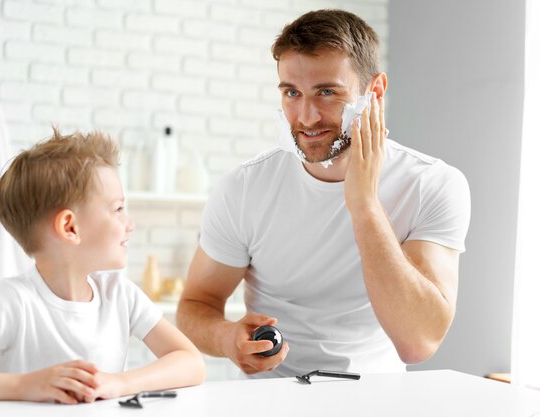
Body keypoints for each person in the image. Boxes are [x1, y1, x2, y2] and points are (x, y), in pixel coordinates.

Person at [177, 9, 471, 378]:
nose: (307, 116)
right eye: (292, 93)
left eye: (327, 92)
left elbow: (419, 341)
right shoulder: (244, 188)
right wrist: (225, 339)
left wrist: (364, 205)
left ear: (374, 92)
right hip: (269, 399)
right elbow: (194, 305)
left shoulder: (431, 184)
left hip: (376, 399)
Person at [0, 129, 205, 403]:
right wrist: (23, 386)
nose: (130, 224)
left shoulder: (120, 295)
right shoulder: (13, 301)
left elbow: (191, 361)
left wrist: (121, 383)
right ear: (70, 227)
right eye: (118, 209)